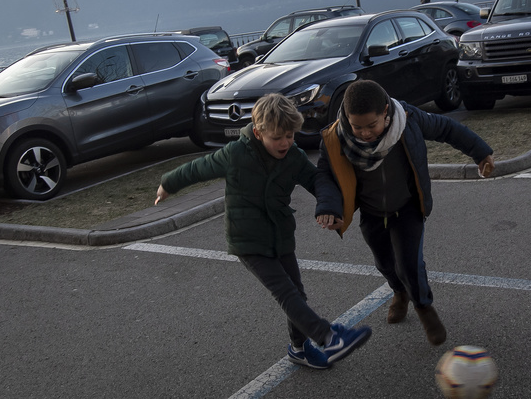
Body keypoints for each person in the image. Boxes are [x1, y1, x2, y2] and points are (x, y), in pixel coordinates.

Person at [155, 93, 370, 370]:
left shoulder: (294, 156)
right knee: (286, 293)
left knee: (297, 293)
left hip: (280, 235)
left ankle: (299, 348)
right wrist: (167, 185)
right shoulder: (235, 154)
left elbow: (317, 180)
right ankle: (328, 338)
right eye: (277, 137)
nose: (285, 143)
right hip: (247, 240)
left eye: (290, 135)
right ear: (258, 133)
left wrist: (331, 207)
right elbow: (197, 169)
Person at [314, 80, 494, 345]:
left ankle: (424, 307)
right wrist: (328, 207)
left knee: (409, 265)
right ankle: (399, 293)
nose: (364, 133)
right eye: (357, 127)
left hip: (407, 207)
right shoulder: (335, 137)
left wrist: (481, 153)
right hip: (372, 212)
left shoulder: (407, 119)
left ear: (386, 112)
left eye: (371, 125)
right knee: (385, 263)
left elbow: (446, 128)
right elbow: (325, 173)